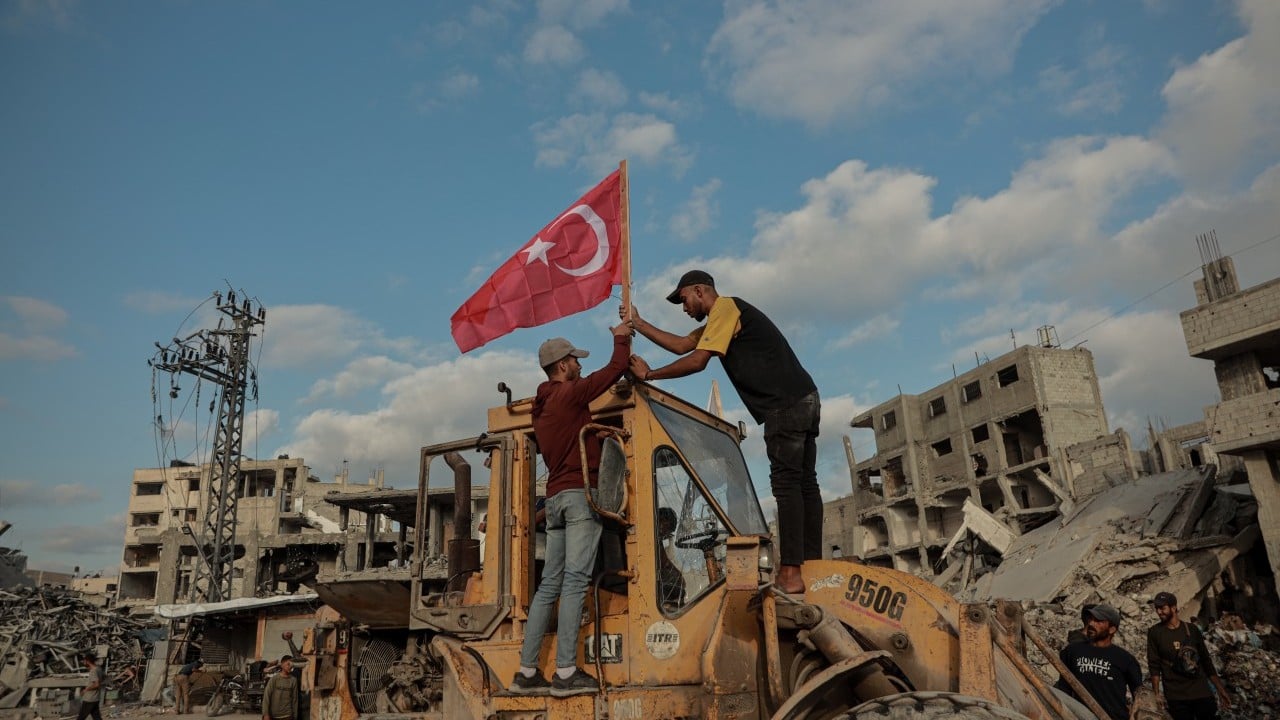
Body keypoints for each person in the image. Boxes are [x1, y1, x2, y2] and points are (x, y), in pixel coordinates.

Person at [626, 270, 820, 593]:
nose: (684, 308)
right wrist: (639, 323)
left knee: (787, 485)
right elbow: (682, 345)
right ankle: (812, 566)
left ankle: (791, 574)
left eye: (685, 299)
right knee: (805, 484)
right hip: (805, 398)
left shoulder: (726, 309)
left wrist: (649, 375)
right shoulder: (723, 319)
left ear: (700, 291)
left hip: (784, 405)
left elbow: (697, 360)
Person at [508, 325, 631, 698]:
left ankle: (527, 673)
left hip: (558, 499)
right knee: (577, 581)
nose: (579, 364)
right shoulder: (571, 394)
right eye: (575, 359)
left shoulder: (540, 409)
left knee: (549, 586)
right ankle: (564, 673)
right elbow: (615, 368)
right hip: (580, 498)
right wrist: (622, 335)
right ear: (563, 366)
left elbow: (567, 438)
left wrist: (594, 434)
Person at [1147, 591, 1232, 720]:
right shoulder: (1154, 632)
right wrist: (1157, 693)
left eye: (1162, 608)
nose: (1159, 612)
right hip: (1175, 695)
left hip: (1200, 691)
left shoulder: (1192, 630)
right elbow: (1154, 664)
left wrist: (1220, 689)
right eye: (1157, 609)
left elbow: (1205, 660)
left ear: (1173, 608)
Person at [1054, 604, 1142, 720]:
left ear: (1112, 629)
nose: (1091, 623)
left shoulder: (1125, 659)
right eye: (1091, 619)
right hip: (1080, 716)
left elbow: (1139, 695)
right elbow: (1064, 688)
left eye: (1098, 621)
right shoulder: (1073, 651)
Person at [656, 507, 686, 610]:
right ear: (661, 522)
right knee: (679, 588)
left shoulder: (657, 539)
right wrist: (679, 574)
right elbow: (665, 563)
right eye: (667, 529)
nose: (666, 534)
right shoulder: (652, 537)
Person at [262, 655, 299, 720]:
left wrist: (295, 716)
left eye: (291, 665)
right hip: (274, 716)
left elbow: (295, 699)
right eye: (288, 664)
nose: (290, 666)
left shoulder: (293, 680)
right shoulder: (274, 679)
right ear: (282, 665)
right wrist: (266, 714)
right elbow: (266, 697)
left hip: (288, 716)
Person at [77, 652, 105, 720]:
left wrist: (86, 690)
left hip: (89, 699)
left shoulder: (93, 671)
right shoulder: (99, 669)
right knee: (96, 717)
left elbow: (96, 684)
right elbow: (104, 679)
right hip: (96, 698)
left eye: (84, 661)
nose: (83, 662)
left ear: (88, 661)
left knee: (81, 718)